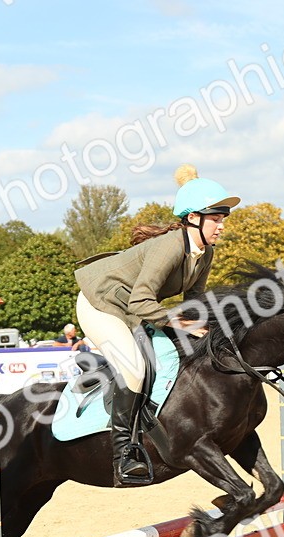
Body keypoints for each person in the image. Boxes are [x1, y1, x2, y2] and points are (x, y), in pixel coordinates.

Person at [73, 166, 238, 484]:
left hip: (133, 308)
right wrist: (180, 322)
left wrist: (216, 328)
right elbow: (140, 301)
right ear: (193, 218)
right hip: (100, 304)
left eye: (222, 219)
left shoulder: (204, 253)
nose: (221, 226)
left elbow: (195, 300)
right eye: (215, 219)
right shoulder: (170, 246)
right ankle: (124, 454)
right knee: (135, 368)